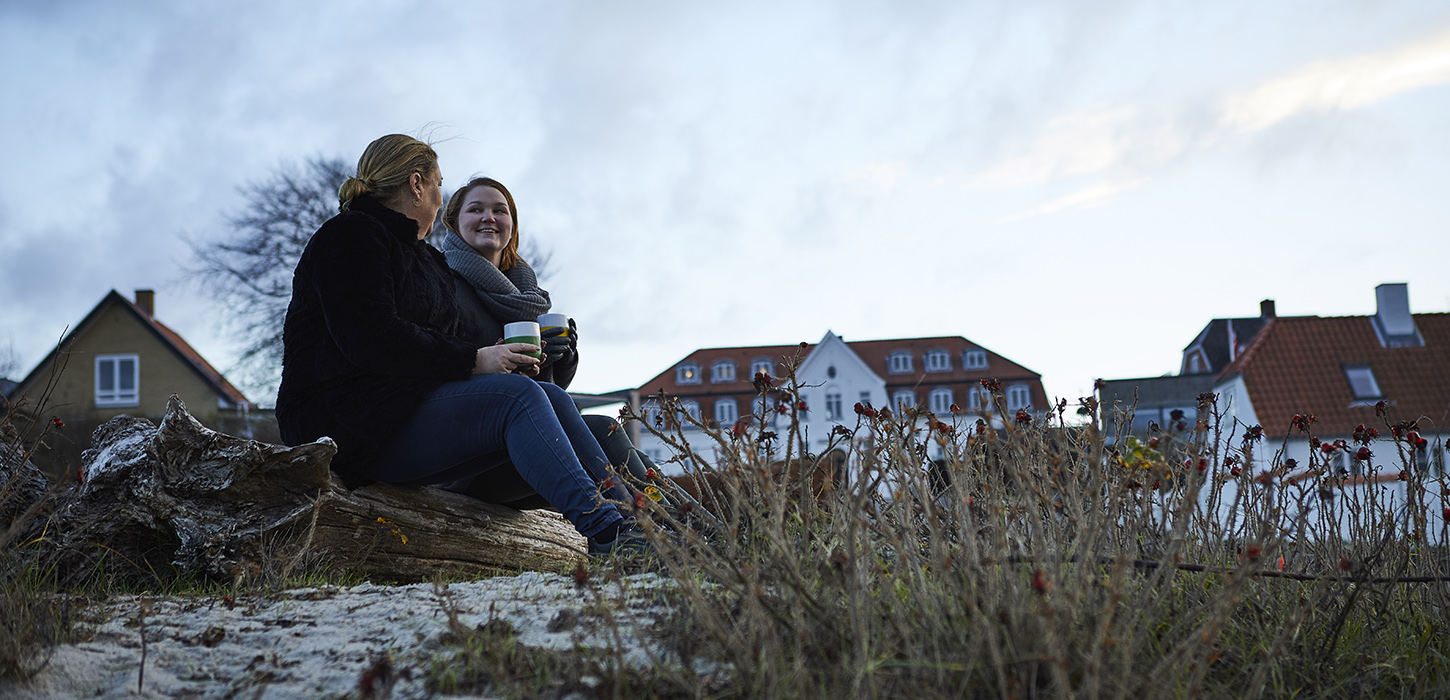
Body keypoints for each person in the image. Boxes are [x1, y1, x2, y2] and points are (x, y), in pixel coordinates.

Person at [275, 134, 644, 556]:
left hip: (403, 411)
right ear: (416, 184)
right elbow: (370, 337)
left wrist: (514, 359)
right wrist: (474, 359)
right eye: (438, 185)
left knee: (549, 396)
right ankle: (607, 534)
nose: (439, 197)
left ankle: (639, 530)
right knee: (519, 399)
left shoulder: (425, 259)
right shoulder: (350, 236)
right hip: (348, 422)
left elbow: (451, 343)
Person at [439, 177, 663, 502]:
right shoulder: (442, 283)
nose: (489, 217)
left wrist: (561, 358)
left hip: (524, 439)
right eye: (476, 209)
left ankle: (696, 526)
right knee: (604, 431)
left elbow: (545, 391)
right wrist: (489, 361)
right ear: (455, 222)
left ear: (512, 225)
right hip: (473, 458)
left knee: (633, 457)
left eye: (500, 210)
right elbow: (436, 365)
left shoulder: (522, 292)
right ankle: (659, 529)